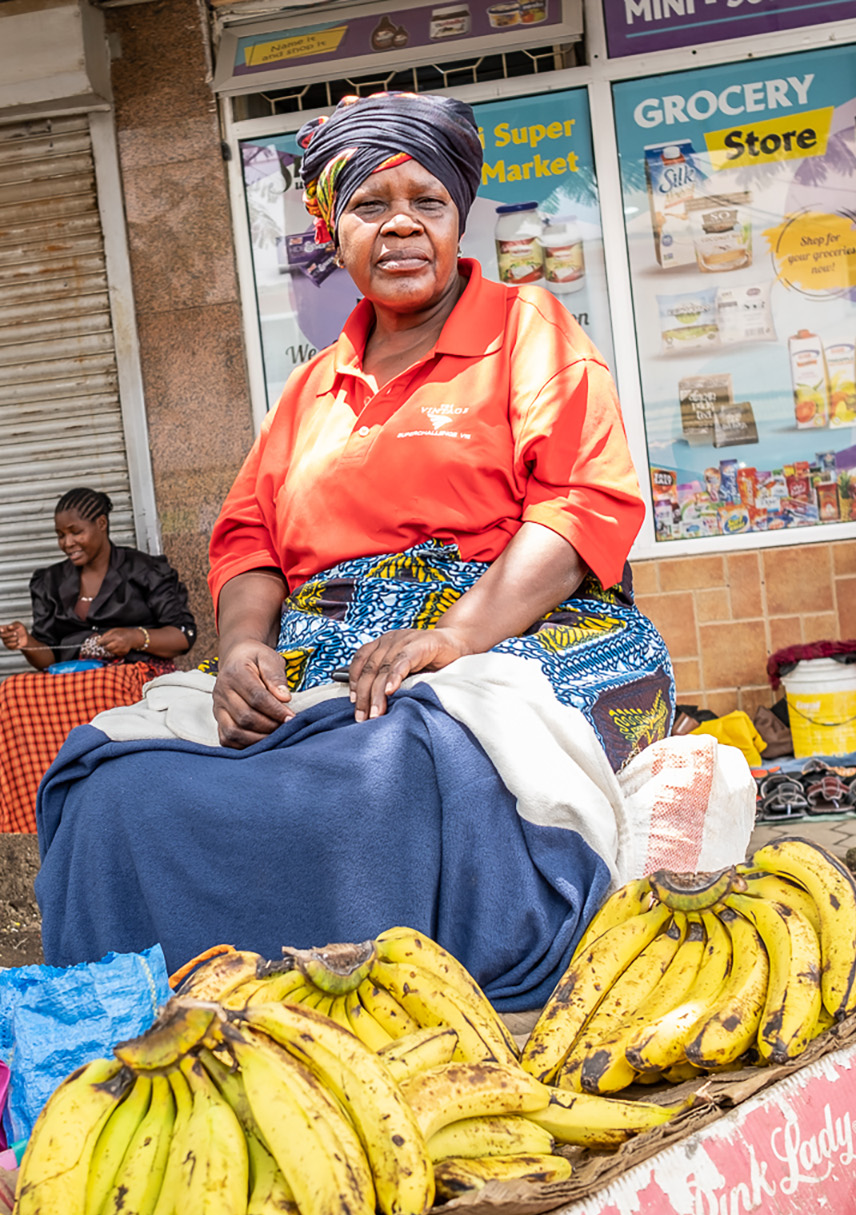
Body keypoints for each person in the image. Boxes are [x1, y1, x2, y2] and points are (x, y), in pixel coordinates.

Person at [33, 93, 675, 1009]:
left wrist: (452, 637)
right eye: (372, 206)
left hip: (521, 622)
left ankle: (382, 1005)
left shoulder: (525, 329)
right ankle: (148, 1020)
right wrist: (247, 646)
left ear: (459, 221)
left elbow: (579, 506)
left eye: (429, 203)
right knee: (111, 781)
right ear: (335, 232)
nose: (403, 225)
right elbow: (250, 537)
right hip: (325, 637)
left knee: (401, 756)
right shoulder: (311, 389)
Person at [0, 489, 195, 833]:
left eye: (75, 532)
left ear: (101, 524)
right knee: (12, 692)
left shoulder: (145, 571)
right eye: (60, 535)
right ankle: (33, 820)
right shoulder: (50, 582)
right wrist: (26, 642)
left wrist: (135, 637)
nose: (67, 542)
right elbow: (47, 659)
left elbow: (183, 635)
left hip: (132, 674)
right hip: (73, 679)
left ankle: (115, 809)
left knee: (105, 687)